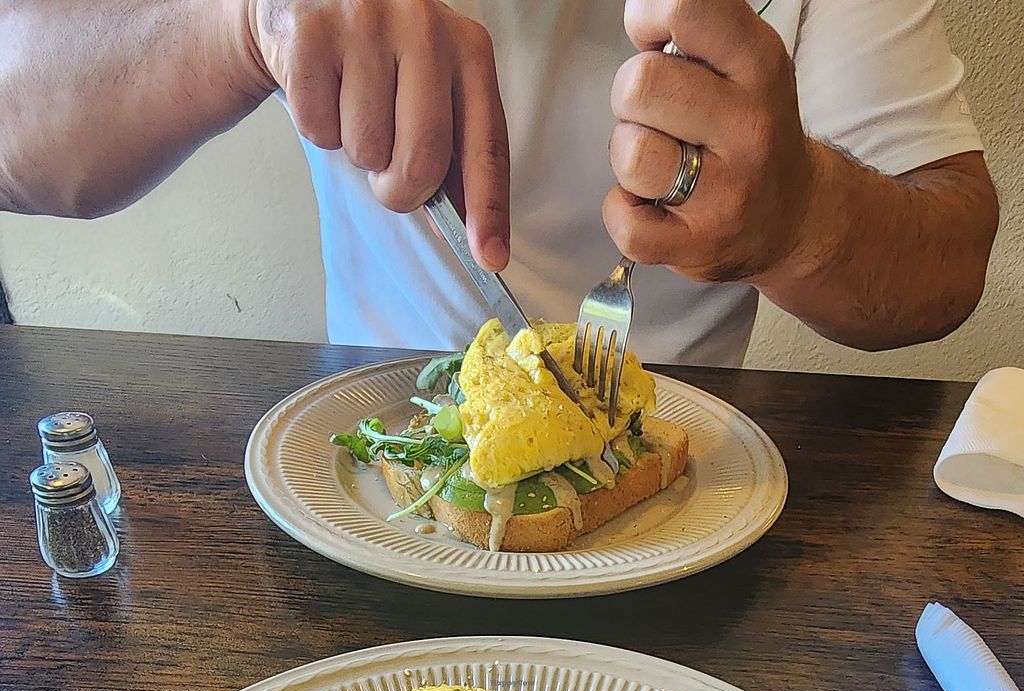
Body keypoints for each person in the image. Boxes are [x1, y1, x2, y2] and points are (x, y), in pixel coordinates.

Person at [0, 0, 998, 364]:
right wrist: (241, 27)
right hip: (366, 478)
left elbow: (947, 266)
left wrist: (803, 217)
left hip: (690, 521)